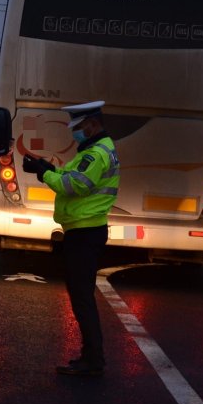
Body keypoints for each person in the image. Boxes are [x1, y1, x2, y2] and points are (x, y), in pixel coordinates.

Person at [22, 100, 120, 376]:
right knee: (81, 295)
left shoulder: (96, 154)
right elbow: (71, 175)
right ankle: (91, 356)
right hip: (85, 230)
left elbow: (74, 185)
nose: (74, 133)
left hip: (85, 233)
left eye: (77, 127)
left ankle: (93, 359)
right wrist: (45, 167)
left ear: (91, 124)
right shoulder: (96, 149)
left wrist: (44, 174)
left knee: (82, 297)